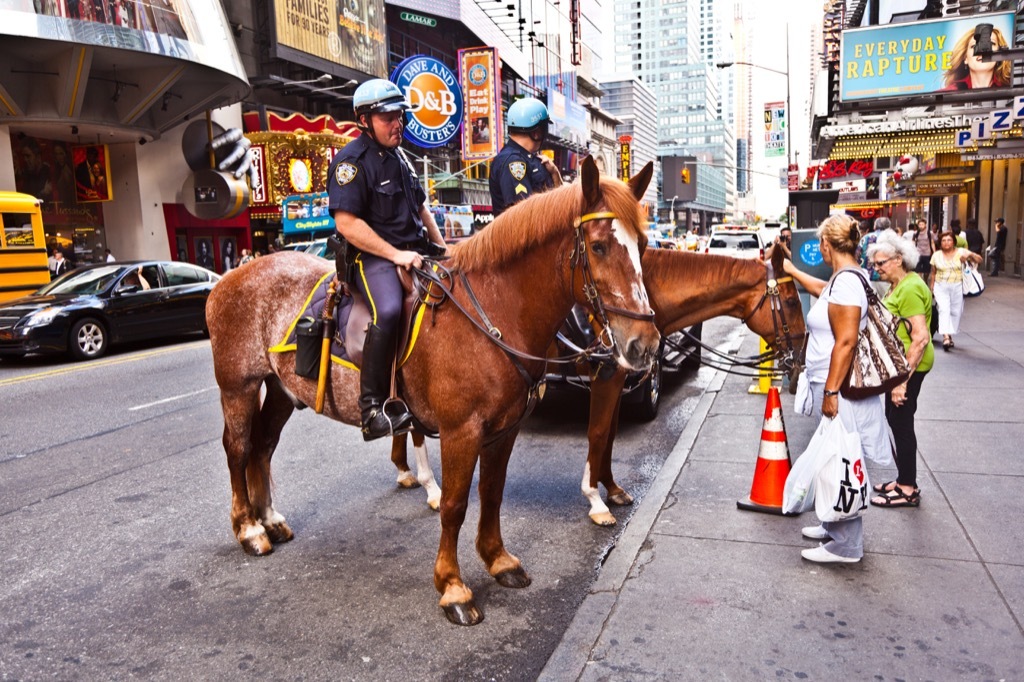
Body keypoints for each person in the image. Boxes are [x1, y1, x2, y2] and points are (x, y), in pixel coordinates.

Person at [327, 78, 447, 441]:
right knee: (390, 311)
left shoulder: (402, 158)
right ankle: (372, 409)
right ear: (364, 120)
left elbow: (422, 208)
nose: (398, 124)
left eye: (400, 116)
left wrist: (443, 249)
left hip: (413, 251)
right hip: (372, 258)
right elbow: (346, 223)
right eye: (387, 117)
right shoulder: (351, 162)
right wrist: (395, 254)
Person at [782, 214, 892, 564]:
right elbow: (822, 292)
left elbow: (844, 341)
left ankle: (846, 544)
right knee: (836, 455)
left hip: (840, 388)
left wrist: (830, 392)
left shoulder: (845, 283)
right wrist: (793, 270)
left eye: (820, 245)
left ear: (826, 246)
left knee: (842, 459)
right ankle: (834, 525)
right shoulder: (844, 278)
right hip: (835, 386)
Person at [867, 231, 933, 508]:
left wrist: (901, 382)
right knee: (895, 420)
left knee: (902, 424)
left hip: (908, 368)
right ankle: (903, 477)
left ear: (899, 259)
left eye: (881, 263)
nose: (876, 268)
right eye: (874, 263)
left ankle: (908, 488)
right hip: (898, 367)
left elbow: (920, 338)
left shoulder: (910, 288)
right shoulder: (899, 285)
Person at [488, 97, 562, 217]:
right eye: (543, 128)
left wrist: (555, 174)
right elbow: (524, 215)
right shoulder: (513, 162)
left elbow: (560, 202)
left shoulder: (530, 159)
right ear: (536, 132)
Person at [930, 231, 982, 351]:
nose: (946, 243)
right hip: (941, 285)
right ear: (940, 243)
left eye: (949, 240)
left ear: (953, 241)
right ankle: (946, 337)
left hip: (958, 285)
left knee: (955, 311)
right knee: (944, 309)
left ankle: (950, 334)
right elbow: (933, 272)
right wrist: (932, 286)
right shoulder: (936, 255)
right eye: (943, 240)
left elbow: (979, 260)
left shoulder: (961, 252)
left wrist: (970, 256)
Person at [942, 25, 1012, 91]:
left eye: (991, 43)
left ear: (999, 54)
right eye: (974, 46)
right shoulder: (948, 93)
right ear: (965, 58)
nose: (982, 51)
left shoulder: (1010, 87)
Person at [857, 216, 892, 297]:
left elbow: (857, 255)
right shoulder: (891, 238)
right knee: (886, 304)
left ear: (874, 226)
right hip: (885, 279)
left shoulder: (865, 238)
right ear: (889, 227)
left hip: (867, 279)